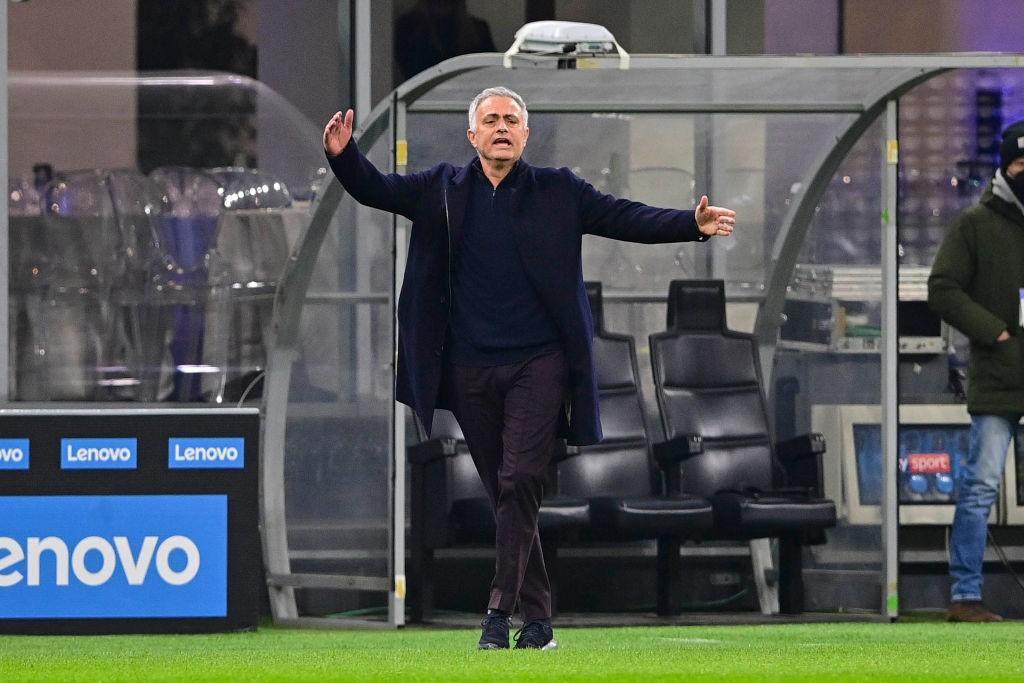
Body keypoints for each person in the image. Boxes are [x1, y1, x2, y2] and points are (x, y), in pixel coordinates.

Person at [323, 87, 736, 649]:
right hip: (469, 369)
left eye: (510, 120)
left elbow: (625, 216)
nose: (501, 127)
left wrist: (691, 222)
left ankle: (499, 610)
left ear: (525, 134)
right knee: (507, 494)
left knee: (520, 479)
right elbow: (378, 189)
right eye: (490, 120)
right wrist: (345, 156)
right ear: (473, 136)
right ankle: (539, 622)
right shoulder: (441, 189)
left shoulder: (559, 191)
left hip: (539, 364)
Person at [928, 120, 1024, 623]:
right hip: (998, 377)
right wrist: (995, 331)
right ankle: (965, 596)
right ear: (1005, 167)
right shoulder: (975, 224)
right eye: (1021, 164)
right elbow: (942, 288)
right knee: (980, 487)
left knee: (979, 486)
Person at [394, 0, 496, 83]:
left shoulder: (478, 30)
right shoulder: (409, 27)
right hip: (424, 101)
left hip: (467, 100)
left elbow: (490, 72)